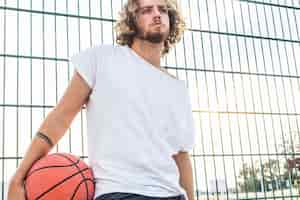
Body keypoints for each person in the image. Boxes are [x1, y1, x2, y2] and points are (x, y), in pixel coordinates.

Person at [7, 0, 196, 199]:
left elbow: (181, 156)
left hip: (173, 194)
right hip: (120, 192)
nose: (157, 14)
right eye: (147, 10)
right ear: (132, 20)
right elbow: (60, 118)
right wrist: (18, 177)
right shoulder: (101, 59)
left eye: (163, 9)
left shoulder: (177, 88)